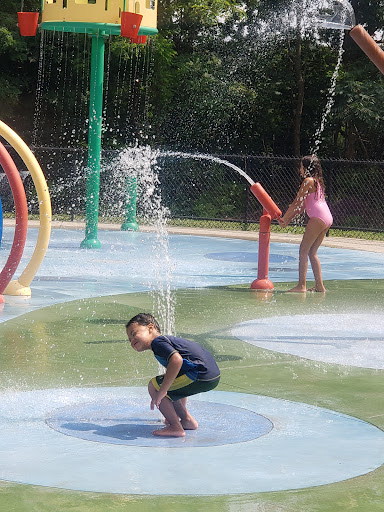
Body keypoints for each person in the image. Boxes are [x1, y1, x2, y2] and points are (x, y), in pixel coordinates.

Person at [125, 313, 221, 437]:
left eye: (134, 334)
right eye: (129, 339)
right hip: (209, 375)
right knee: (171, 383)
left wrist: (162, 391)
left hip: (200, 373)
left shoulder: (157, 343)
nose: (132, 341)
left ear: (150, 328)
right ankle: (186, 421)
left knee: (154, 386)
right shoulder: (164, 343)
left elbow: (176, 360)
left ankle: (176, 427)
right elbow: (178, 379)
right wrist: (174, 411)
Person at [278, 155, 333, 293]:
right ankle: (320, 286)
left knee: (303, 250)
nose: (300, 169)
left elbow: (297, 201)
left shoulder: (308, 181)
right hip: (327, 217)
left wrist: (284, 218)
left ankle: (301, 286)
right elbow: (302, 206)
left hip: (318, 218)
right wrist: (288, 219)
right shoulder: (317, 182)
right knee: (312, 252)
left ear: (307, 168)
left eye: (301, 166)